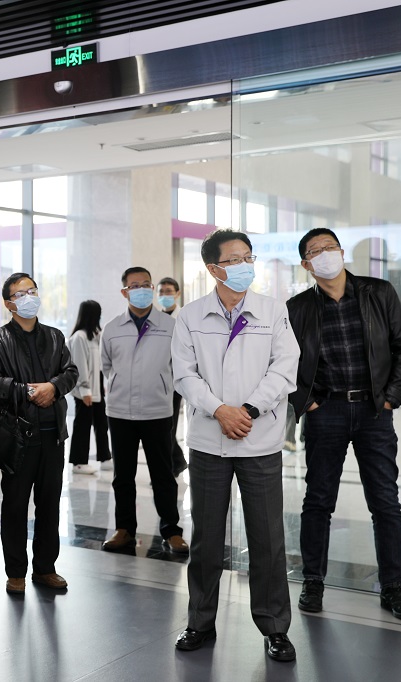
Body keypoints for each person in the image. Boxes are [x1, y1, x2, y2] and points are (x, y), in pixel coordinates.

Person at [170, 229, 299, 663]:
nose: (245, 265)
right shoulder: (190, 316)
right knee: (206, 538)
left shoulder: (272, 310)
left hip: (259, 439)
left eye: (249, 257)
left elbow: (285, 367)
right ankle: (200, 622)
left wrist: (248, 409)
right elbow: (184, 374)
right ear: (213, 268)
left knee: (267, 538)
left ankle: (275, 627)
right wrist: (219, 410)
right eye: (235, 259)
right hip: (209, 441)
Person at [288, 228, 401, 621]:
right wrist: (306, 402)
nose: (325, 254)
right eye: (315, 251)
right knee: (318, 501)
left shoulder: (378, 293)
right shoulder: (297, 308)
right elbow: (283, 363)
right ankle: (313, 581)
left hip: (373, 411)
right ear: (306, 264)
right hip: (325, 412)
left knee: (385, 502)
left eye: (330, 247)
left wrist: (390, 397)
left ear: (341, 251)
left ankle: (393, 586)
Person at [0, 273, 78, 594]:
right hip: (18, 436)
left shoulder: (54, 337)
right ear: (8, 304)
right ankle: (16, 572)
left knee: (49, 505)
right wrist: (27, 391)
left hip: (52, 435)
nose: (28, 297)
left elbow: (70, 372)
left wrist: (53, 387)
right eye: (20, 294)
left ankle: (45, 568)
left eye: (32, 291)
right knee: (15, 505)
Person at [99, 267, 187, 555]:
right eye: (135, 286)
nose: (142, 290)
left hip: (157, 411)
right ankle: (124, 530)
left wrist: (161, 386)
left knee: (163, 475)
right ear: (124, 292)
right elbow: (107, 367)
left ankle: (171, 531)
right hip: (120, 412)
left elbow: (179, 366)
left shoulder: (170, 326)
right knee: (122, 476)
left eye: (146, 284)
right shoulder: (112, 328)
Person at [66, 300, 112, 474]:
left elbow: (99, 364)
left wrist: (100, 386)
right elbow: (80, 366)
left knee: (102, 423)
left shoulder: (94, 335)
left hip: (96, 387)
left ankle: (105, 458)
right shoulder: (79, 337)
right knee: (83, 425)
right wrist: (85, 390)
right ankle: (78, 462)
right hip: (84, 389)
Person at [157, 277, 188, 476]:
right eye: (161, 292)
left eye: (168, 291)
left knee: (168, 425)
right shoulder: (155, 318)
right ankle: (177, 462)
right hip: (157, 380)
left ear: (177, 293)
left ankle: (170, 467)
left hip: (175, 380)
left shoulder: (184, 317)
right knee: (162, 426)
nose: (164, 295)